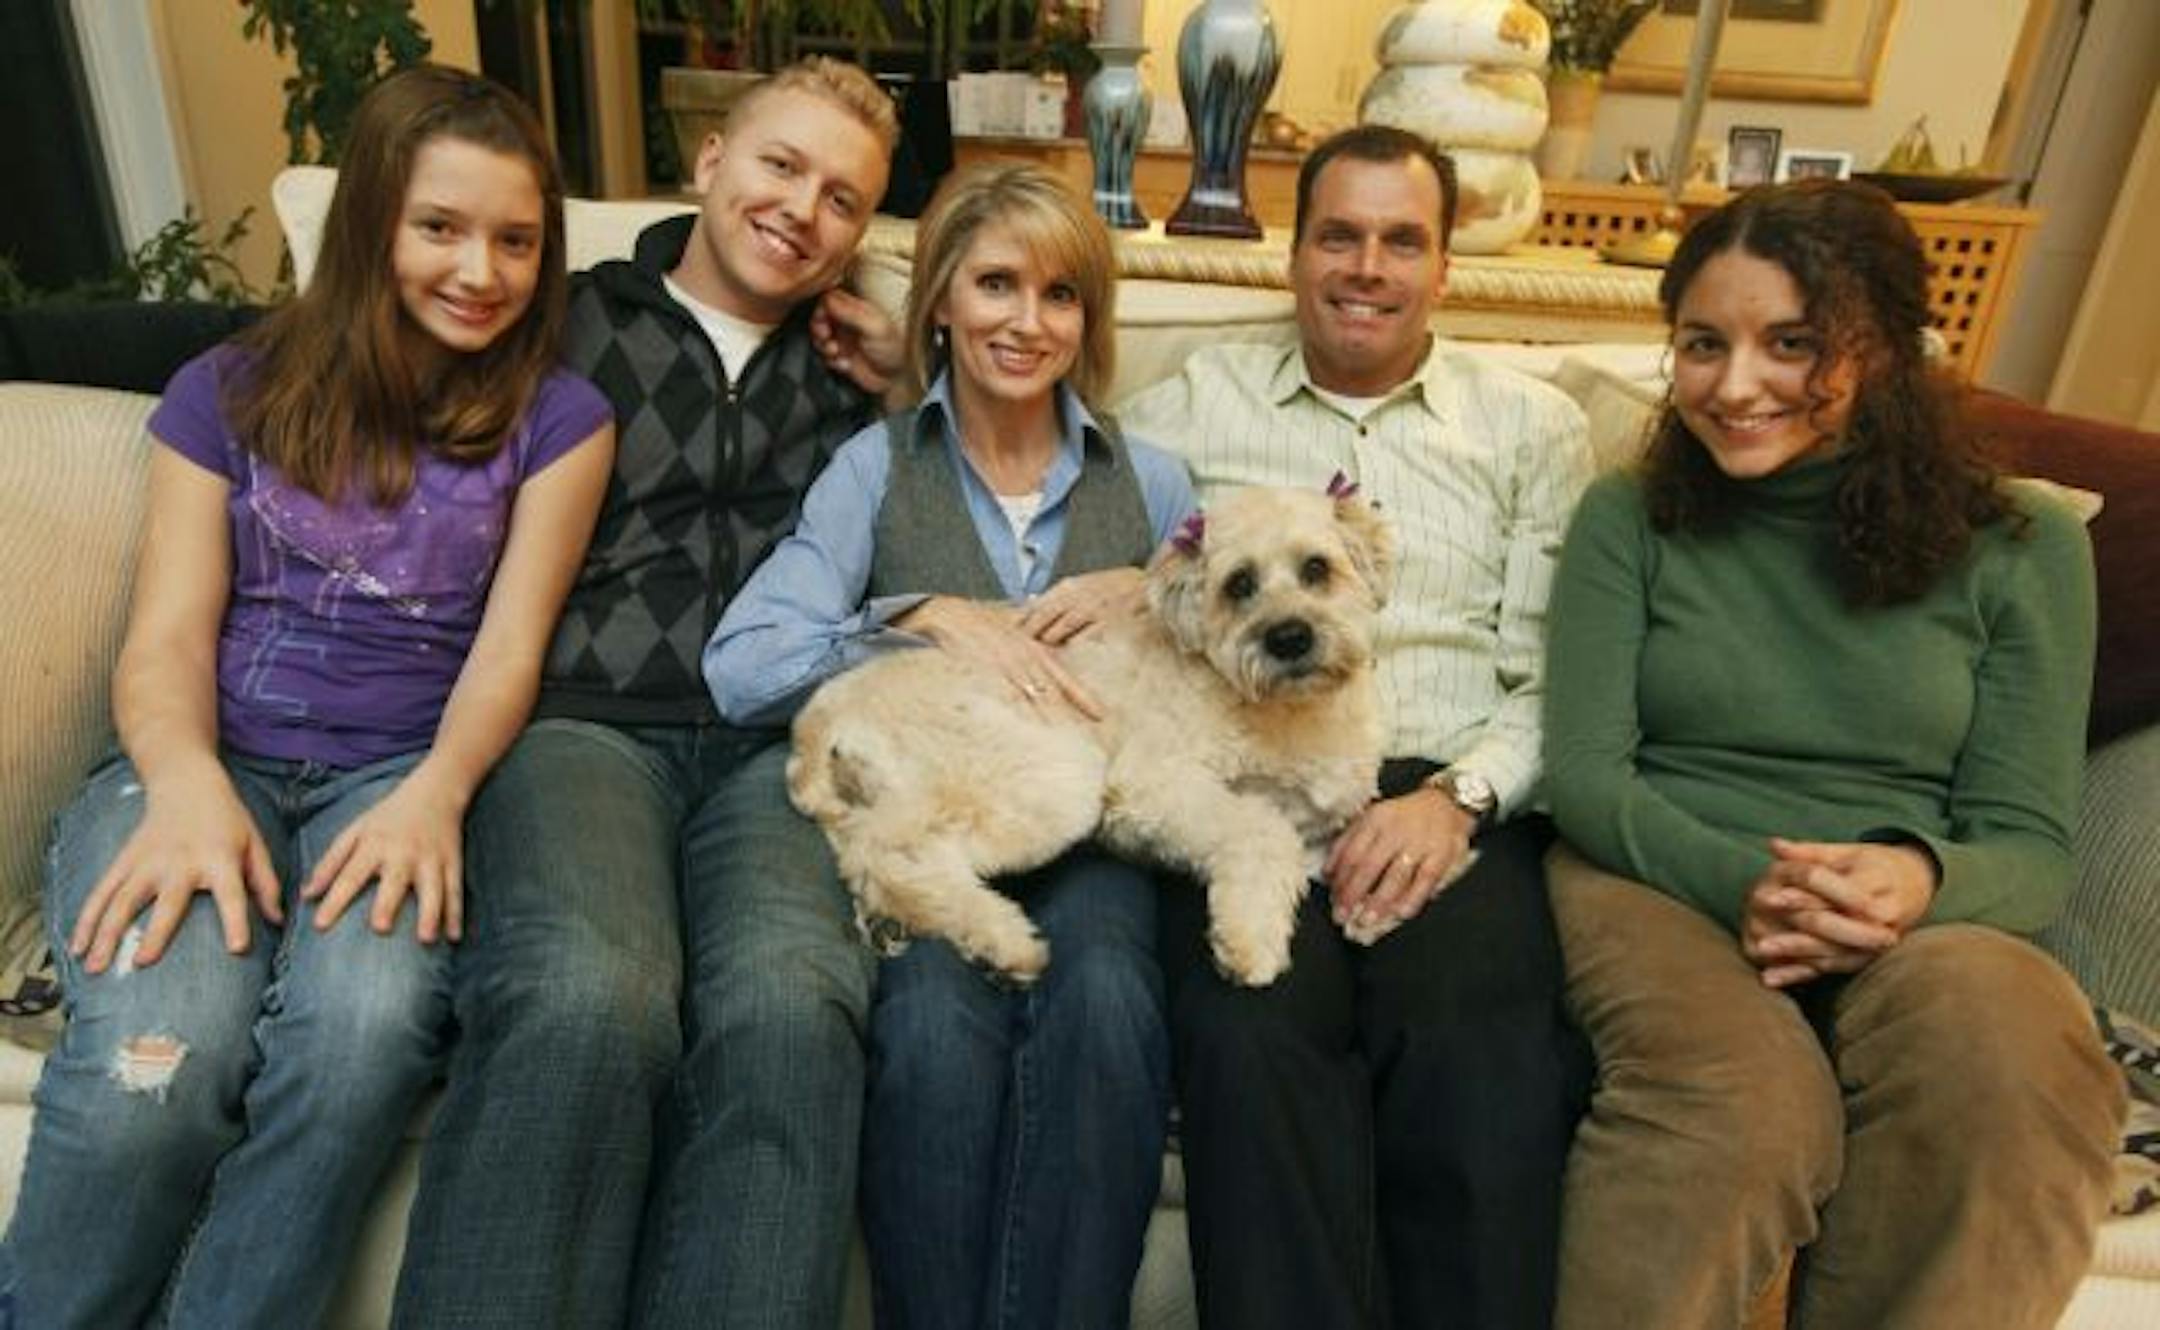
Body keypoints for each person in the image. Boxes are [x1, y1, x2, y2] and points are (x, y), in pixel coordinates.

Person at [0, 64, 614, 1329]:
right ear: (371, 218)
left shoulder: (560, 418)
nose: (480, 271)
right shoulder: (224, 391)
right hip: (196, 760)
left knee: (360, 1046)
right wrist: (180, 786)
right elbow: (164, 635)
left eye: (515, 240)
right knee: (155, 1073)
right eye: (439, 227)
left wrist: (439, 798)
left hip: (397, 785)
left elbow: (509, 650)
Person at [1541, 179, 2127, 1330]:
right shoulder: (1630, 518)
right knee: (1743, 1108)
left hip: (1909, 901)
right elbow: (1589, 779)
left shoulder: (2025, 544)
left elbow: (2029, 841)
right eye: (1702, 345)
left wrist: (1916, 877)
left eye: (1791, 343)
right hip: (1657, 866)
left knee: (2018, 1064)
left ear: (1885, 347)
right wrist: (1750, 882)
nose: (1735, 384)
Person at [388, 57, 907, 1330]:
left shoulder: (859, 366)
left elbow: (1005, 488)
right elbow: (360, 384)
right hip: (581, 723)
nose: (803, 208)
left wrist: (912, 377)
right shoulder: (560, 314)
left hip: (776, 744)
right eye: (782, 165)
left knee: (794, 1004)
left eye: (844, 199)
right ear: (713, 158)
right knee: (588, 991)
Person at [1117, 124, 1594, 1329]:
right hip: (1247, 781)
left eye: (1401, 240)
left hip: (1445, 785)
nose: (1366, 267)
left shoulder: (1530, 429)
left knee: (1477, 1046)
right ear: (1295, 252)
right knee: (1246, 1033)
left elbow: (1558, 673)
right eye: (1340, 235)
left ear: (1444, 265)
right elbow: (1038, 449)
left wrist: (1459, 799)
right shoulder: (1184, 407)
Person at [706, 162, 1196, 1330]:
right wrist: (908, 615)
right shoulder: (876, 469)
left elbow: (1235, 635)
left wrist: (1150, 587)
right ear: (938, 304)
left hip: (1099, 832)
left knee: (1114, 1005)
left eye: (1061, 294)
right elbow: (742, 664)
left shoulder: (1156, 480)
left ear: (1090, 318)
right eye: (995, 285)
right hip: (940, 831)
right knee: (926, 1028)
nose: (1029, 322)